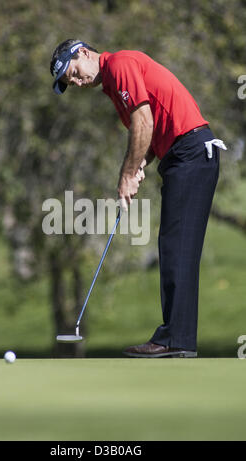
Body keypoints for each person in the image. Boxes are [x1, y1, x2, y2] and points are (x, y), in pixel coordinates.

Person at [50, 39, 226, 358]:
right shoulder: (112, 85)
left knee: (177, 247)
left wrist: (128, 174)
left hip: (191, 153)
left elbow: (142, 120)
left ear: (84, 53)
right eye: (69, 82)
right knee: (174, 246)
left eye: (73, 73)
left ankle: (176, 339)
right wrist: (142, 162)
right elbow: (149, 129)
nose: (76, 82)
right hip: (182, 156)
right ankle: (177, 338)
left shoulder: (120, 64)